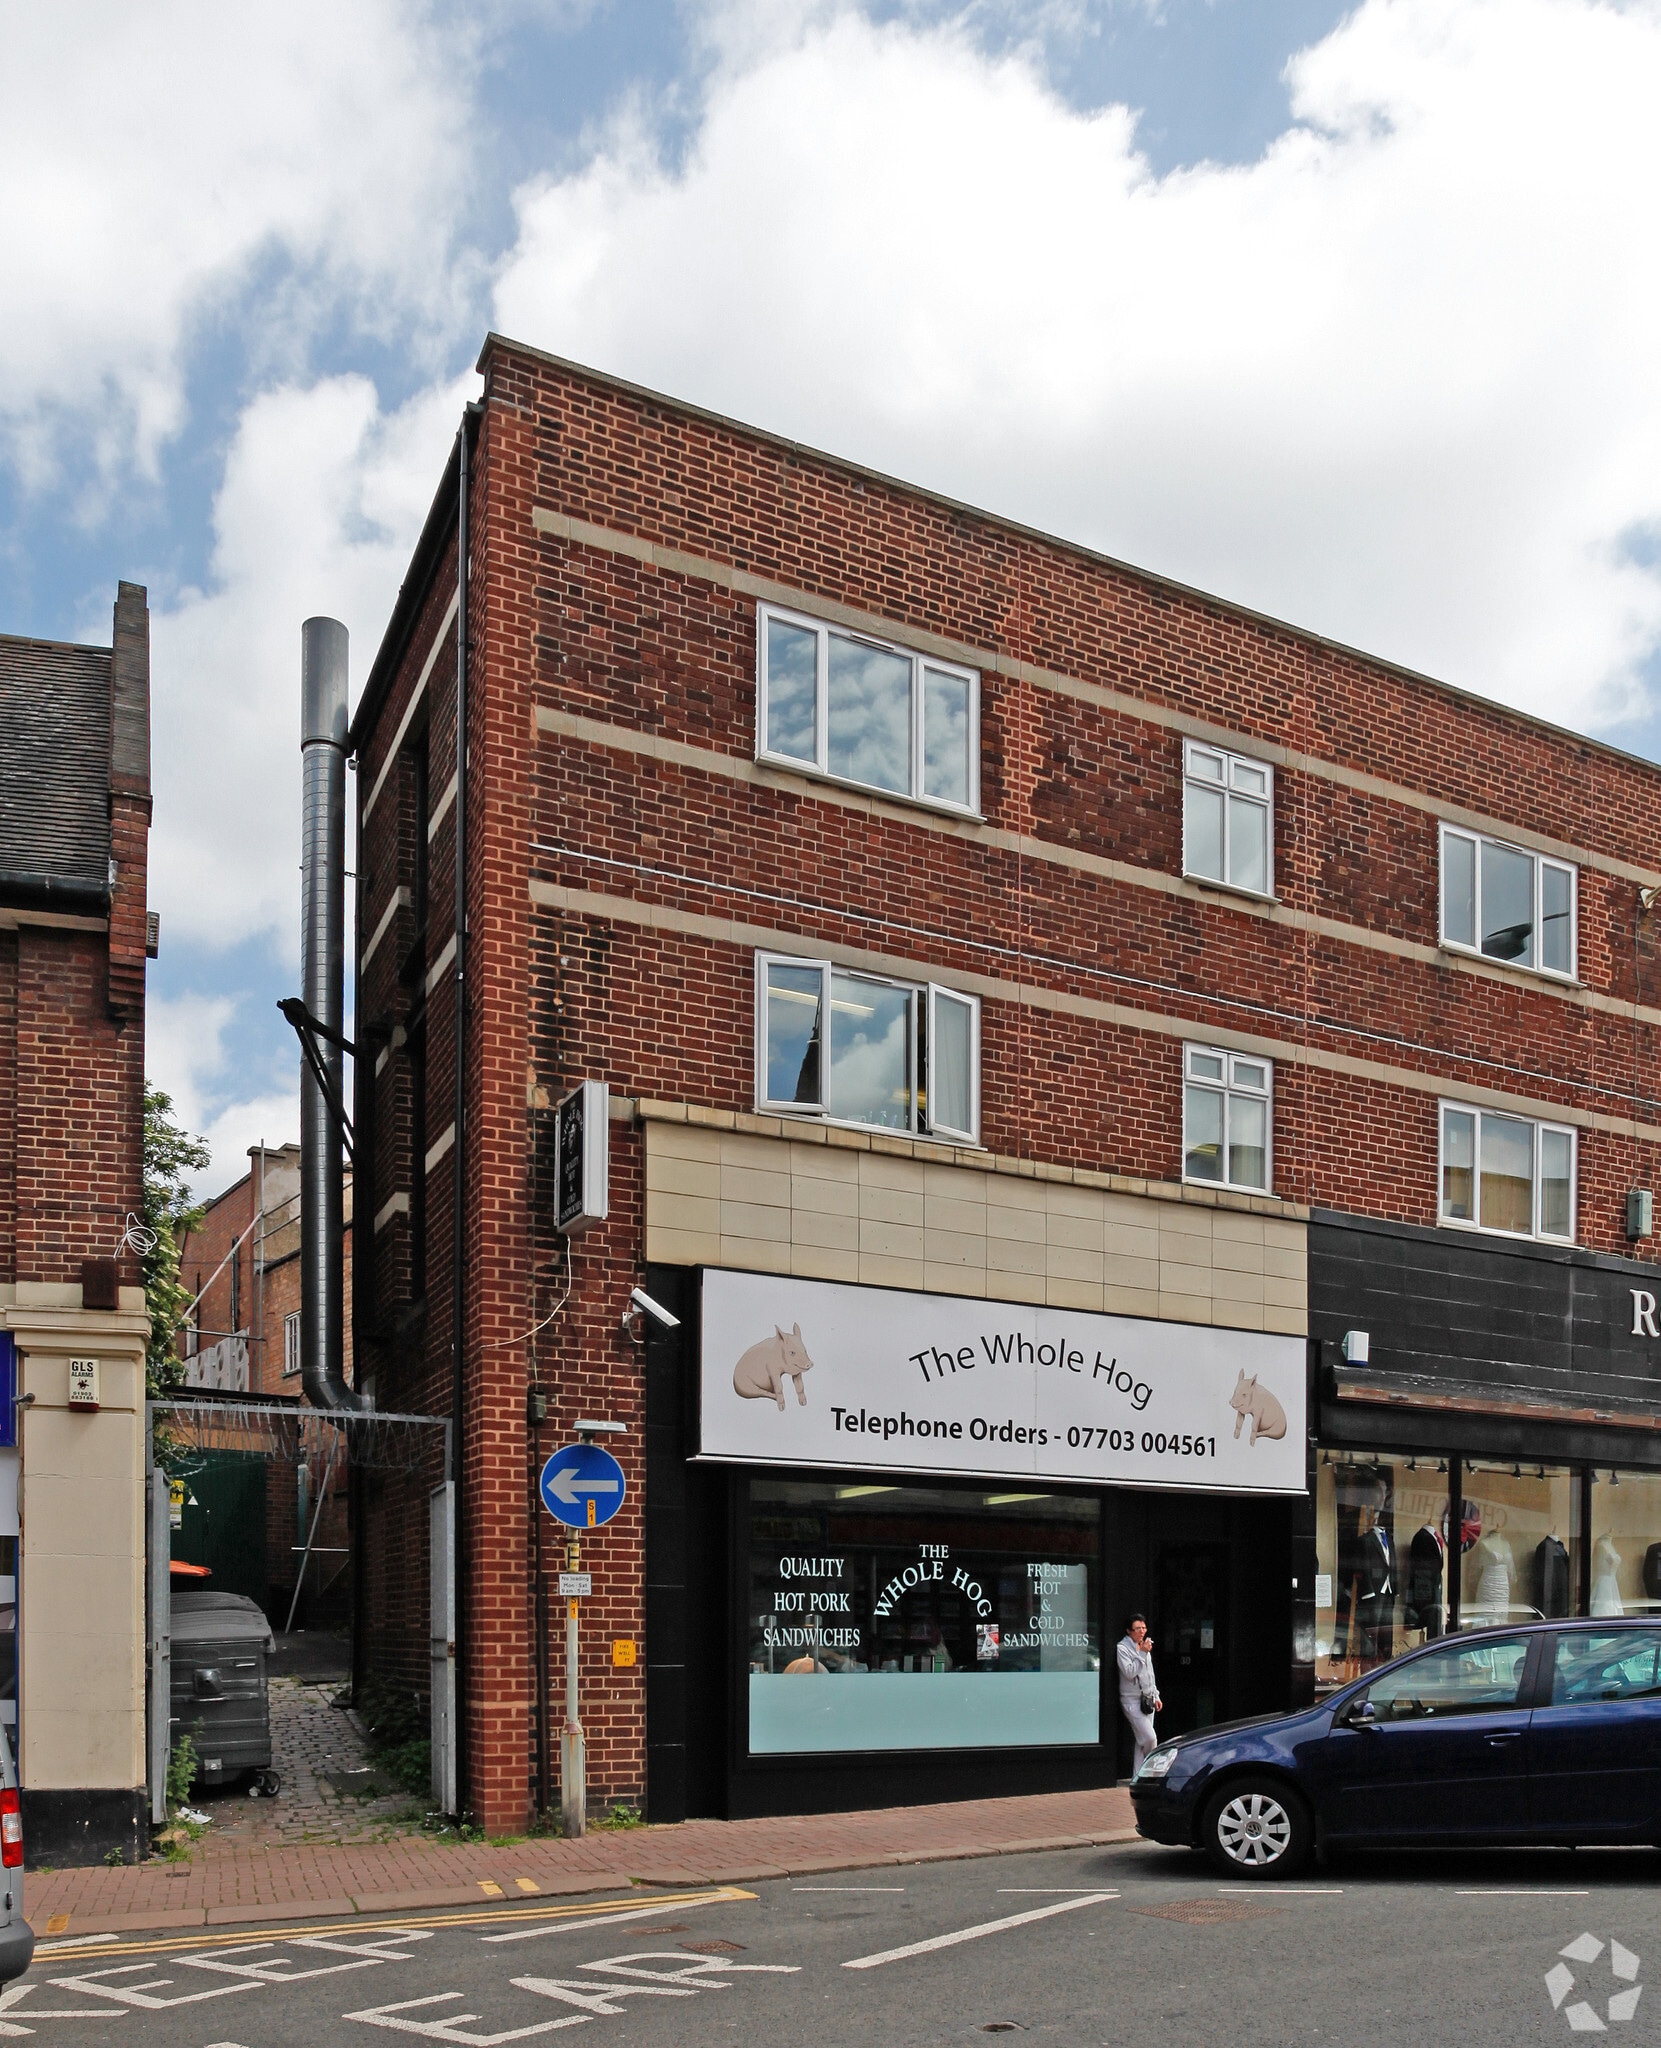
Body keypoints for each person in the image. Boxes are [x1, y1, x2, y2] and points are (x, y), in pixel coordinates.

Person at [1117, 1613, 1162, 1773]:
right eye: (1137, 1628)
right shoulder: (1122, 1648)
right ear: (1129, 1631)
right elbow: (1129, 1672)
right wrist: (1142, 1653)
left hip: (1148, 1700)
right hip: (1132, 1701)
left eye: (1144, 1628)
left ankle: (1138, 1776)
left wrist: (1156, 1695)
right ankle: (1152, 1771)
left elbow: (1150, 1674)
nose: (1142, 1631)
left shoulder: (1144, 1646)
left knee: (1141, 1740)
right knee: (1150, 1738)